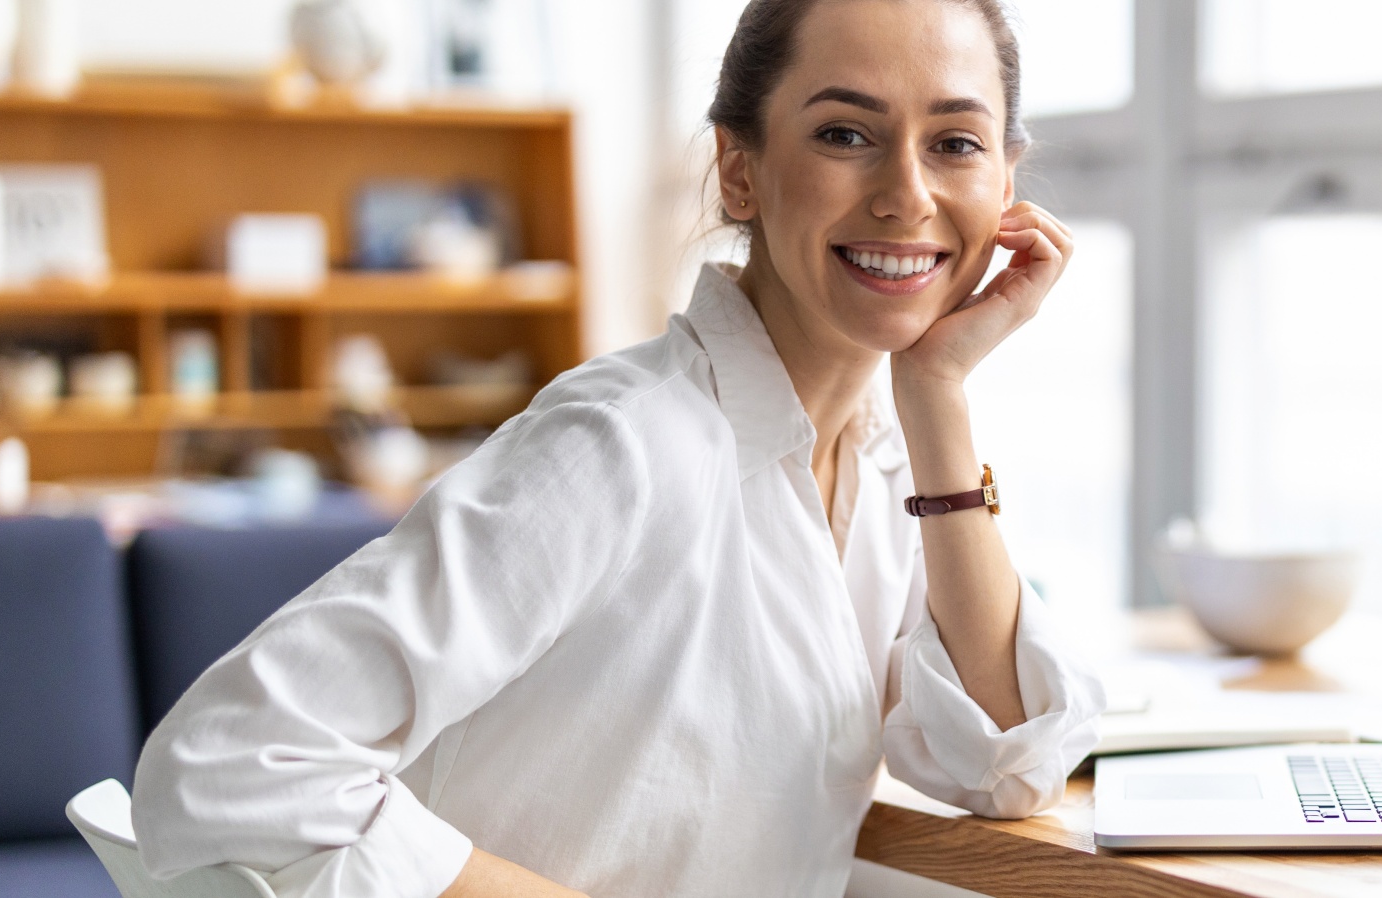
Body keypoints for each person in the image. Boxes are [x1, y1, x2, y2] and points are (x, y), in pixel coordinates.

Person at [131, 1, 1101, 895]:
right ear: (740, 171)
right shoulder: (624, 443)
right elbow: (231, 758)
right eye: (845, 133)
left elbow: (1006, 765)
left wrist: (936, 396)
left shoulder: (884, 465)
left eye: (956, 143)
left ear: (1005, 186)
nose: (907, 192)